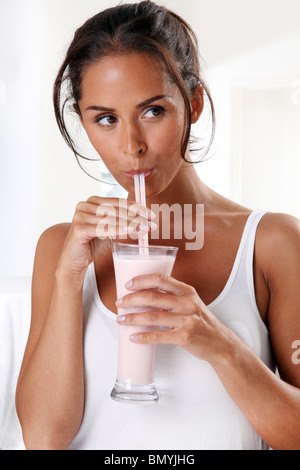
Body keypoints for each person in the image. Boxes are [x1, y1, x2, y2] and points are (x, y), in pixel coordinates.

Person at [16, 0, 300, 450]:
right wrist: (69, 276)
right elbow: (44, 437)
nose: (132, 146)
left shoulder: (272, 243)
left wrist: (221, 345)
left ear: (194, 102)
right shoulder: (61, 248)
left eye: (152, 111)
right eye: (106, 119)